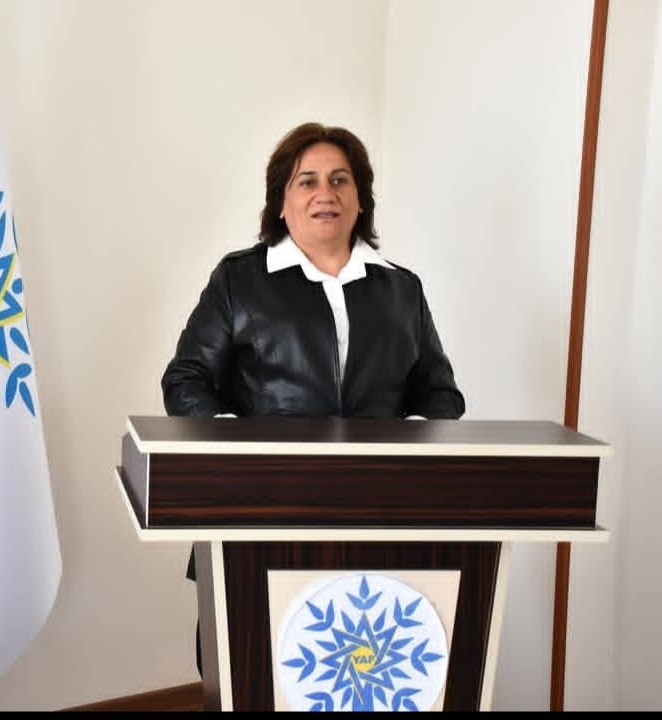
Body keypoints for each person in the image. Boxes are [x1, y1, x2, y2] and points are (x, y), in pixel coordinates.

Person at [160, 121, 465, 676]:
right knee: (251, 673)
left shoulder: (403, 289)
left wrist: (412, 453)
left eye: (340, 179)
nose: (326, 192)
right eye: (307, 181)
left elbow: (440, 392)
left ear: (360, 199)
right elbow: (185, 378)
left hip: (380, 517)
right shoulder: (238, 280)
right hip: (258, 511)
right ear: (281, 202)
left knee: (360, 676)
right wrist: (233, 448)